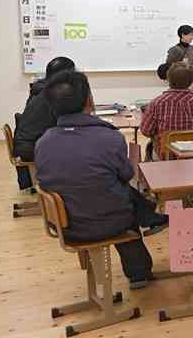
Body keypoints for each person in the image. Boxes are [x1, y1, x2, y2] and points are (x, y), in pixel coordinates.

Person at [35, 70, 169, 289]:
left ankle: (148, 220)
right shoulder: (109, 137)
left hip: (65, 225)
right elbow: (127, 175)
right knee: (123, 202)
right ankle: (139, 271)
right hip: (108, 222)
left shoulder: (43, 142)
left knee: (109, 194)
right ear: (90, 101)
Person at [140, 62, 193, 159]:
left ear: (168, 79)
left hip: (165, 156)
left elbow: (145, 131)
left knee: (149, 147)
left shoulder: (156, 103)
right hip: (192, 156)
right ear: (192, 80)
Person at [14, 56, 76, 166]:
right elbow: (67, 122)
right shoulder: (53, 94)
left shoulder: (40, 89)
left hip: (26, 144)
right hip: (32, 148)